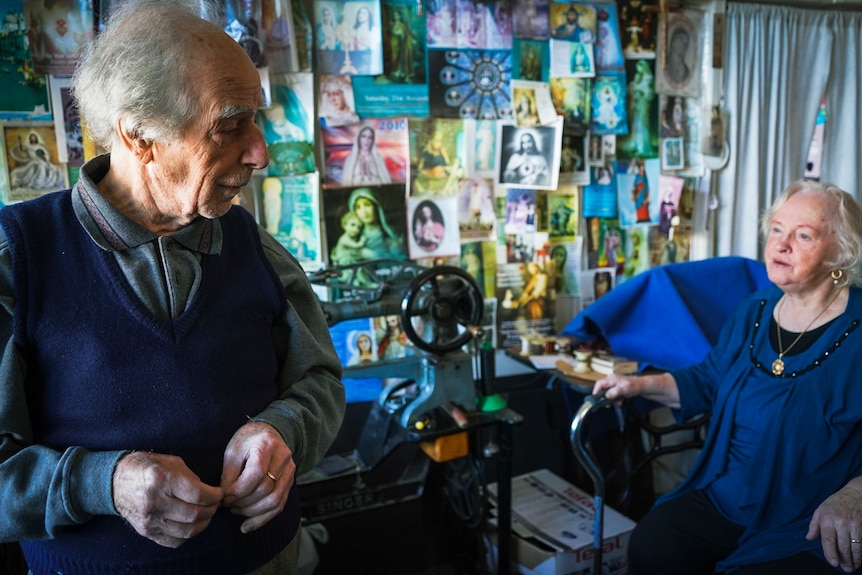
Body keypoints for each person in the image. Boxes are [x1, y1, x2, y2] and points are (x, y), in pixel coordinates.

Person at [0, 2, 346, 573]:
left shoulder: (253, 245)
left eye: (256, 120)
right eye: (230, 124)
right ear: (140, 135)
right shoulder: (19, 261)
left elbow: (320, 381)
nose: (260, 152)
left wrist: (283, 429)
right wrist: (102, 484)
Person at [593, 180, 862, 575]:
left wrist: (857, 492)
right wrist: (638, 385)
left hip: (810, 512)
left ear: (841, 252)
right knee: (654, 544)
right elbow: (708, 378)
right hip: (728, 495)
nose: (781, 244)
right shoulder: (753, 309)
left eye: (803, 235)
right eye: (776, 229)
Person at [348, 187, 406, 259]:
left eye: (367, 205)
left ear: (376, 207)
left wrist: (373, 255)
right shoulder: (354, 237)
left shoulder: (390, 234)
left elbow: (401, 260)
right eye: (358, 207)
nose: (364, 212)